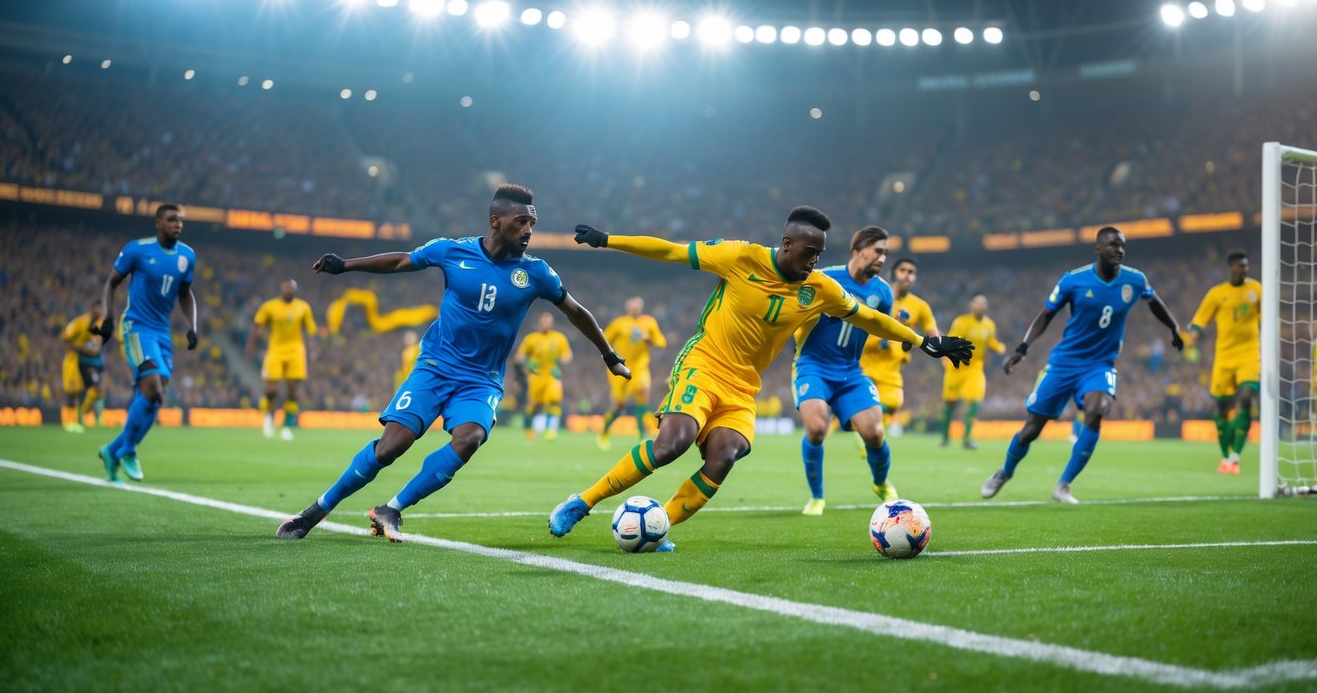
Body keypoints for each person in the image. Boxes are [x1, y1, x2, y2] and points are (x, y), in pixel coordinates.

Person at [548, 207, 973, 551]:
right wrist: (608, 240)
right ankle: (582, 501)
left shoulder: (820, 288)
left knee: (725, 455)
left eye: (820, 255)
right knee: (671, 445)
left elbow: (869, 317)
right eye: (808, 252)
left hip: (743, 387)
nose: (814, 262)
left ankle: (659, 527)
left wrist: (924, 342)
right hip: (704, 363)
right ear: (786, 244)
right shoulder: (740, 257)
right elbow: (672, 252)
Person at [276, 184, 629, 542]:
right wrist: (346, 266)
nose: (528, 231)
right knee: (390, 447)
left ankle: (391, 509)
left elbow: (577, 312)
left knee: (471, 437)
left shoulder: (536, 273)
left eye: (532, 224)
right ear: (496, 221)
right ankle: (316, 510)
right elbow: (401, 261)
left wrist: (609, 355)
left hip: (482, 380)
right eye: (521, 222)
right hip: (436, 367)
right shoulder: (451, 250)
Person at [981, 227, 1184, 504]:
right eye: (1113, 245)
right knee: (1032, 428)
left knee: (1097, 410)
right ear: (1098, 249)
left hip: (1100, 364)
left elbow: (1155, 302)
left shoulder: (1135, 280)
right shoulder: (1073, 280)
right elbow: (1046, 314)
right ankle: (1005, 471)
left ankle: (1064, 484)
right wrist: (1022, 348)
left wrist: (1173, 327)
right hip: (1064, 363)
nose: (1119, 250)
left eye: (1122, 245)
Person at [792, 226, 898, 516]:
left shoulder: (883, 293)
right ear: (858, 250)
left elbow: (882, 328)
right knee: (815, 429)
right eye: (878, 251)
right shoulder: (825, 278)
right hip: (813, 365)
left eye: (886, 254)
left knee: (875, 433)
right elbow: (795, 310)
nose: (882, 259)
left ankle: (880, 482)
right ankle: (817, 497)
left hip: (850, 371)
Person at [94, 204, 200, 483]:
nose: (178, 224)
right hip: (136, 327)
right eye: (171, 219)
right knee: (152, 388)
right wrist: (107, 315)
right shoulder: (137, 250)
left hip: (161, 332)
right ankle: (128, 450)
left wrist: (193, 326)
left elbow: (186, 293)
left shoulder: (187, 256)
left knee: (156, 399)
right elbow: (111, 282)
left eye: (180, 220)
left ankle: (111, 451)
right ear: (158, 223)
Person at [1187, 251, 1261, 474]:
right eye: (1240, 266)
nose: (1244, 269)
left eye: (1246, 266)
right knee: (1221, 409)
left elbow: (1269, 317)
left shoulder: (1257, 290)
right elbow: (1200, 319)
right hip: (1224, 357)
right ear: (1232, 267)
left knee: (1247, 397)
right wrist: (1193, 335)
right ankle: (1226, 456)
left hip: (1249, 353)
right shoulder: (1218, 293)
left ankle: (1236, 455)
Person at [857, 257, 939, 439]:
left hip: (893, 367)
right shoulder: (876, 297)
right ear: (893, 273)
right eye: (903, 270)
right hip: (868, 361)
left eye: (912, 272)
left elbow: (934, 336)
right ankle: (861, 430)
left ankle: (865, 432)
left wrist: (944, 348)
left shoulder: (920, 306)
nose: (908, 275)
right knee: (863, 401)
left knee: (894, 402)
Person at [247, 279, 317, 441]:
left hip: (296, 351)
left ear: (295, 290)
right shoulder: (269, 307)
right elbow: (257, 327)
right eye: (286, 287)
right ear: (281, 289)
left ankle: (286, 426)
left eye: (291, 288)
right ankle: (269, 419)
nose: (288, 290)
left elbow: (311, 329)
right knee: (271, 389)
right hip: (275, 350)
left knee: (292, 391)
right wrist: (251, 344)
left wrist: (313, 348)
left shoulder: (303, 307)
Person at [598, 297, 667, 449]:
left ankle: (641, 435)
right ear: (627, 307)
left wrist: (649, 338)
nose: (635, 309)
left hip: (640, 367)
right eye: (633, 306)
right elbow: (604, 338)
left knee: (643, 393)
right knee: (618, 405)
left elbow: (661, 341)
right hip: (620, 367)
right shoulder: (619, 323)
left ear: (641, 307)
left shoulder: (649, 322)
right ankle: (604, 431)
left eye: (638, 306)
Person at [938, 294, 1006, 449]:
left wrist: (998, 347)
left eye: (982, 303)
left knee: (975, 401)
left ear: (986, 307)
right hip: (956, 367)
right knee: (950, 403)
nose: (979, 305)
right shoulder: (961, 322)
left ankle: (967, 439)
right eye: (976, 303)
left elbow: (990, 341)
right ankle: (945, 438)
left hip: (975, 368)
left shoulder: (989, 325)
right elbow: (952, 340)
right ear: (971, 306)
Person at [515, 311, 572, 440]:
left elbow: (567, 355)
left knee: (554, 399)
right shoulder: (531, 338)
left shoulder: (559, 338)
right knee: (535, 405)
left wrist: (559, 363)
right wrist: (528, 364)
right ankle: (528, 428)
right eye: (545, 321)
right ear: (539, 323)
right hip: (536, 375)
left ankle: (548, 429)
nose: (548, 324)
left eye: (550, 322)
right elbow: (519, 357)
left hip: (552, 374)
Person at [61, 303, 106, 433]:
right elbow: (65, 338)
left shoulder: (99, 325)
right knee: (72, 391)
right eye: (98, 308)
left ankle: (76, 420)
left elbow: (95, 349)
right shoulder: (79, 323)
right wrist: (81, 348)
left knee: (82, 390)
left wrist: (83, 348)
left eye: (102, 309)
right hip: (73, 361)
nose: (100, 311)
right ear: (92, 308)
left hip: (87, 362)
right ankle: (69, 422)